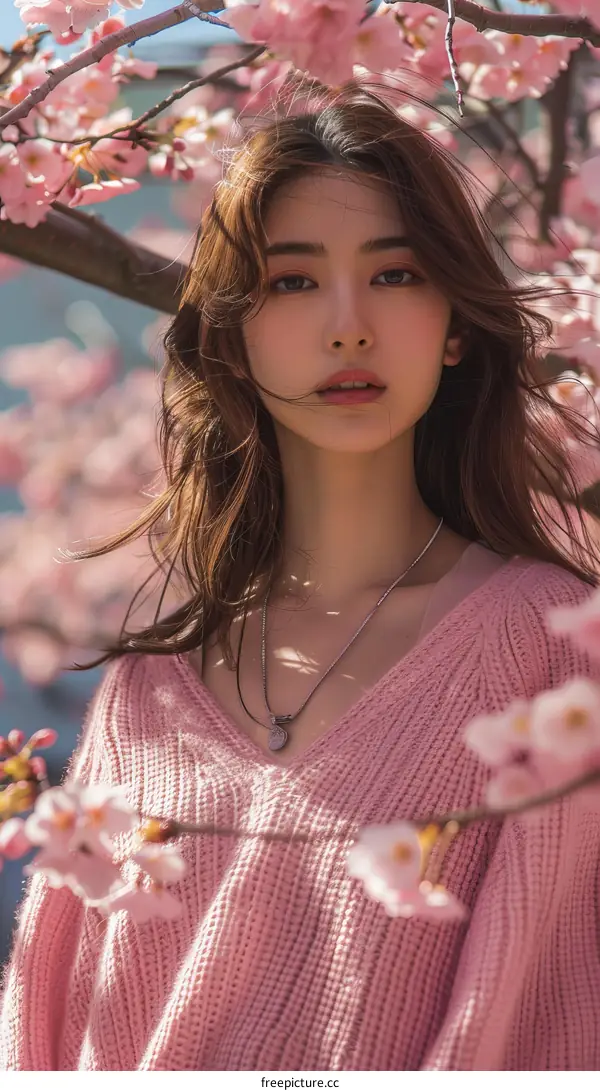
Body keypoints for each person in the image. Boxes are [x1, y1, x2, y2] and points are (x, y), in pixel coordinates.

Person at [2, 79, 600, 1072]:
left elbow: (555, 1026)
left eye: (397, 274)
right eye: (291, 282)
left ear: (456, 324)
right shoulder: (145, 695)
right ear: (231, 336)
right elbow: (43, 1039)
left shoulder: (554, 650)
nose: (349, 326)